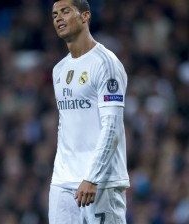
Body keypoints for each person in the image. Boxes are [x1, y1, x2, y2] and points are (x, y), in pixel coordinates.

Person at [49, 0, 130, 223]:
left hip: (101, 181)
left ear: (85, 16)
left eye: (65, 11)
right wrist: (60, 173)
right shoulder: (59, 70)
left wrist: (92, 177)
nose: (58, 17)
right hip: (63, 181)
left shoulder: (106, 64)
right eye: (54, 14)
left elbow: (112, 126)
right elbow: (65, 124)